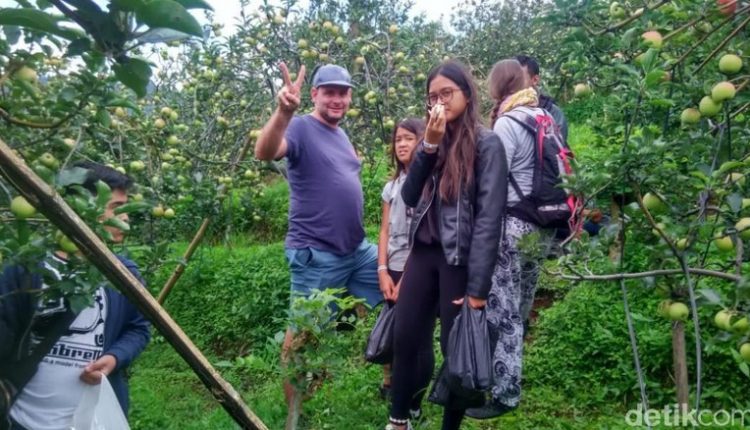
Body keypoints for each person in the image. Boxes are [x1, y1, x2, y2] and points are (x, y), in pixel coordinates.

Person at [386, 60, 507, 430]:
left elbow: (489, 219)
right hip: (423, 255)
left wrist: (478, 290)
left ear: (466, 95)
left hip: (459, 261)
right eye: (432, 97)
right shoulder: (432, 142)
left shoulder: (487, 144)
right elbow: (408, 196)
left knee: (456, 349)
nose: (439, 102)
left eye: (446, 93)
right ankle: (399, 420)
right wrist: (429, 146)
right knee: (405, 337)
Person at [254, 63, 382, 404]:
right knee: (301, 339)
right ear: (314, 94)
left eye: (343, 93)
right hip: (317, 254)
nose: (337, 99)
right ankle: (295, 416)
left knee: (395, 283)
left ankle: (374, 372)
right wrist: (284, 112)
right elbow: (264, 152)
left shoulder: (341, 134)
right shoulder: (300, 127)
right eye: (330, 93)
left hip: (356, 251)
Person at [0, 162, 151, 430]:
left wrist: (115, 357)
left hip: (92, 421)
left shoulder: (124, 275)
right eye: (116, 207)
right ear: (83, 207)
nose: (126, 218)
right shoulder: (27, 268)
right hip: (23, 420)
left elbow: (138, 329)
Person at [465, 59, 553, 420]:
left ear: (497, 86)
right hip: (544, 226)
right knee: (521, 306)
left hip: (514, 226)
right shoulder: (543, 116)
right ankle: (512, 370)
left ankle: (505, 393)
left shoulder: (507, 121)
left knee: (505, 314)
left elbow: (494, 178)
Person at [377, 118, 428, 401]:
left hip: (417, 269)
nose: (402, 144)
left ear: (423, 141)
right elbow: (384, 230)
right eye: (398, 139)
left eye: (409, 138)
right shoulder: (392, 186)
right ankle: (390, 384)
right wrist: (382, 270)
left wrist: (407, 278)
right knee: (391, 328)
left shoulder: (427, 183)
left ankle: (413, 400)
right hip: (393, 267)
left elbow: (424, 236)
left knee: (414, 337)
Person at [514, 55, 568, 142]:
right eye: (511, 80)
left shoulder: (552, 113)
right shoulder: (503, 111)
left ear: (535, 80)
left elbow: (557, 146)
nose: (513, 84)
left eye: (519, 79)